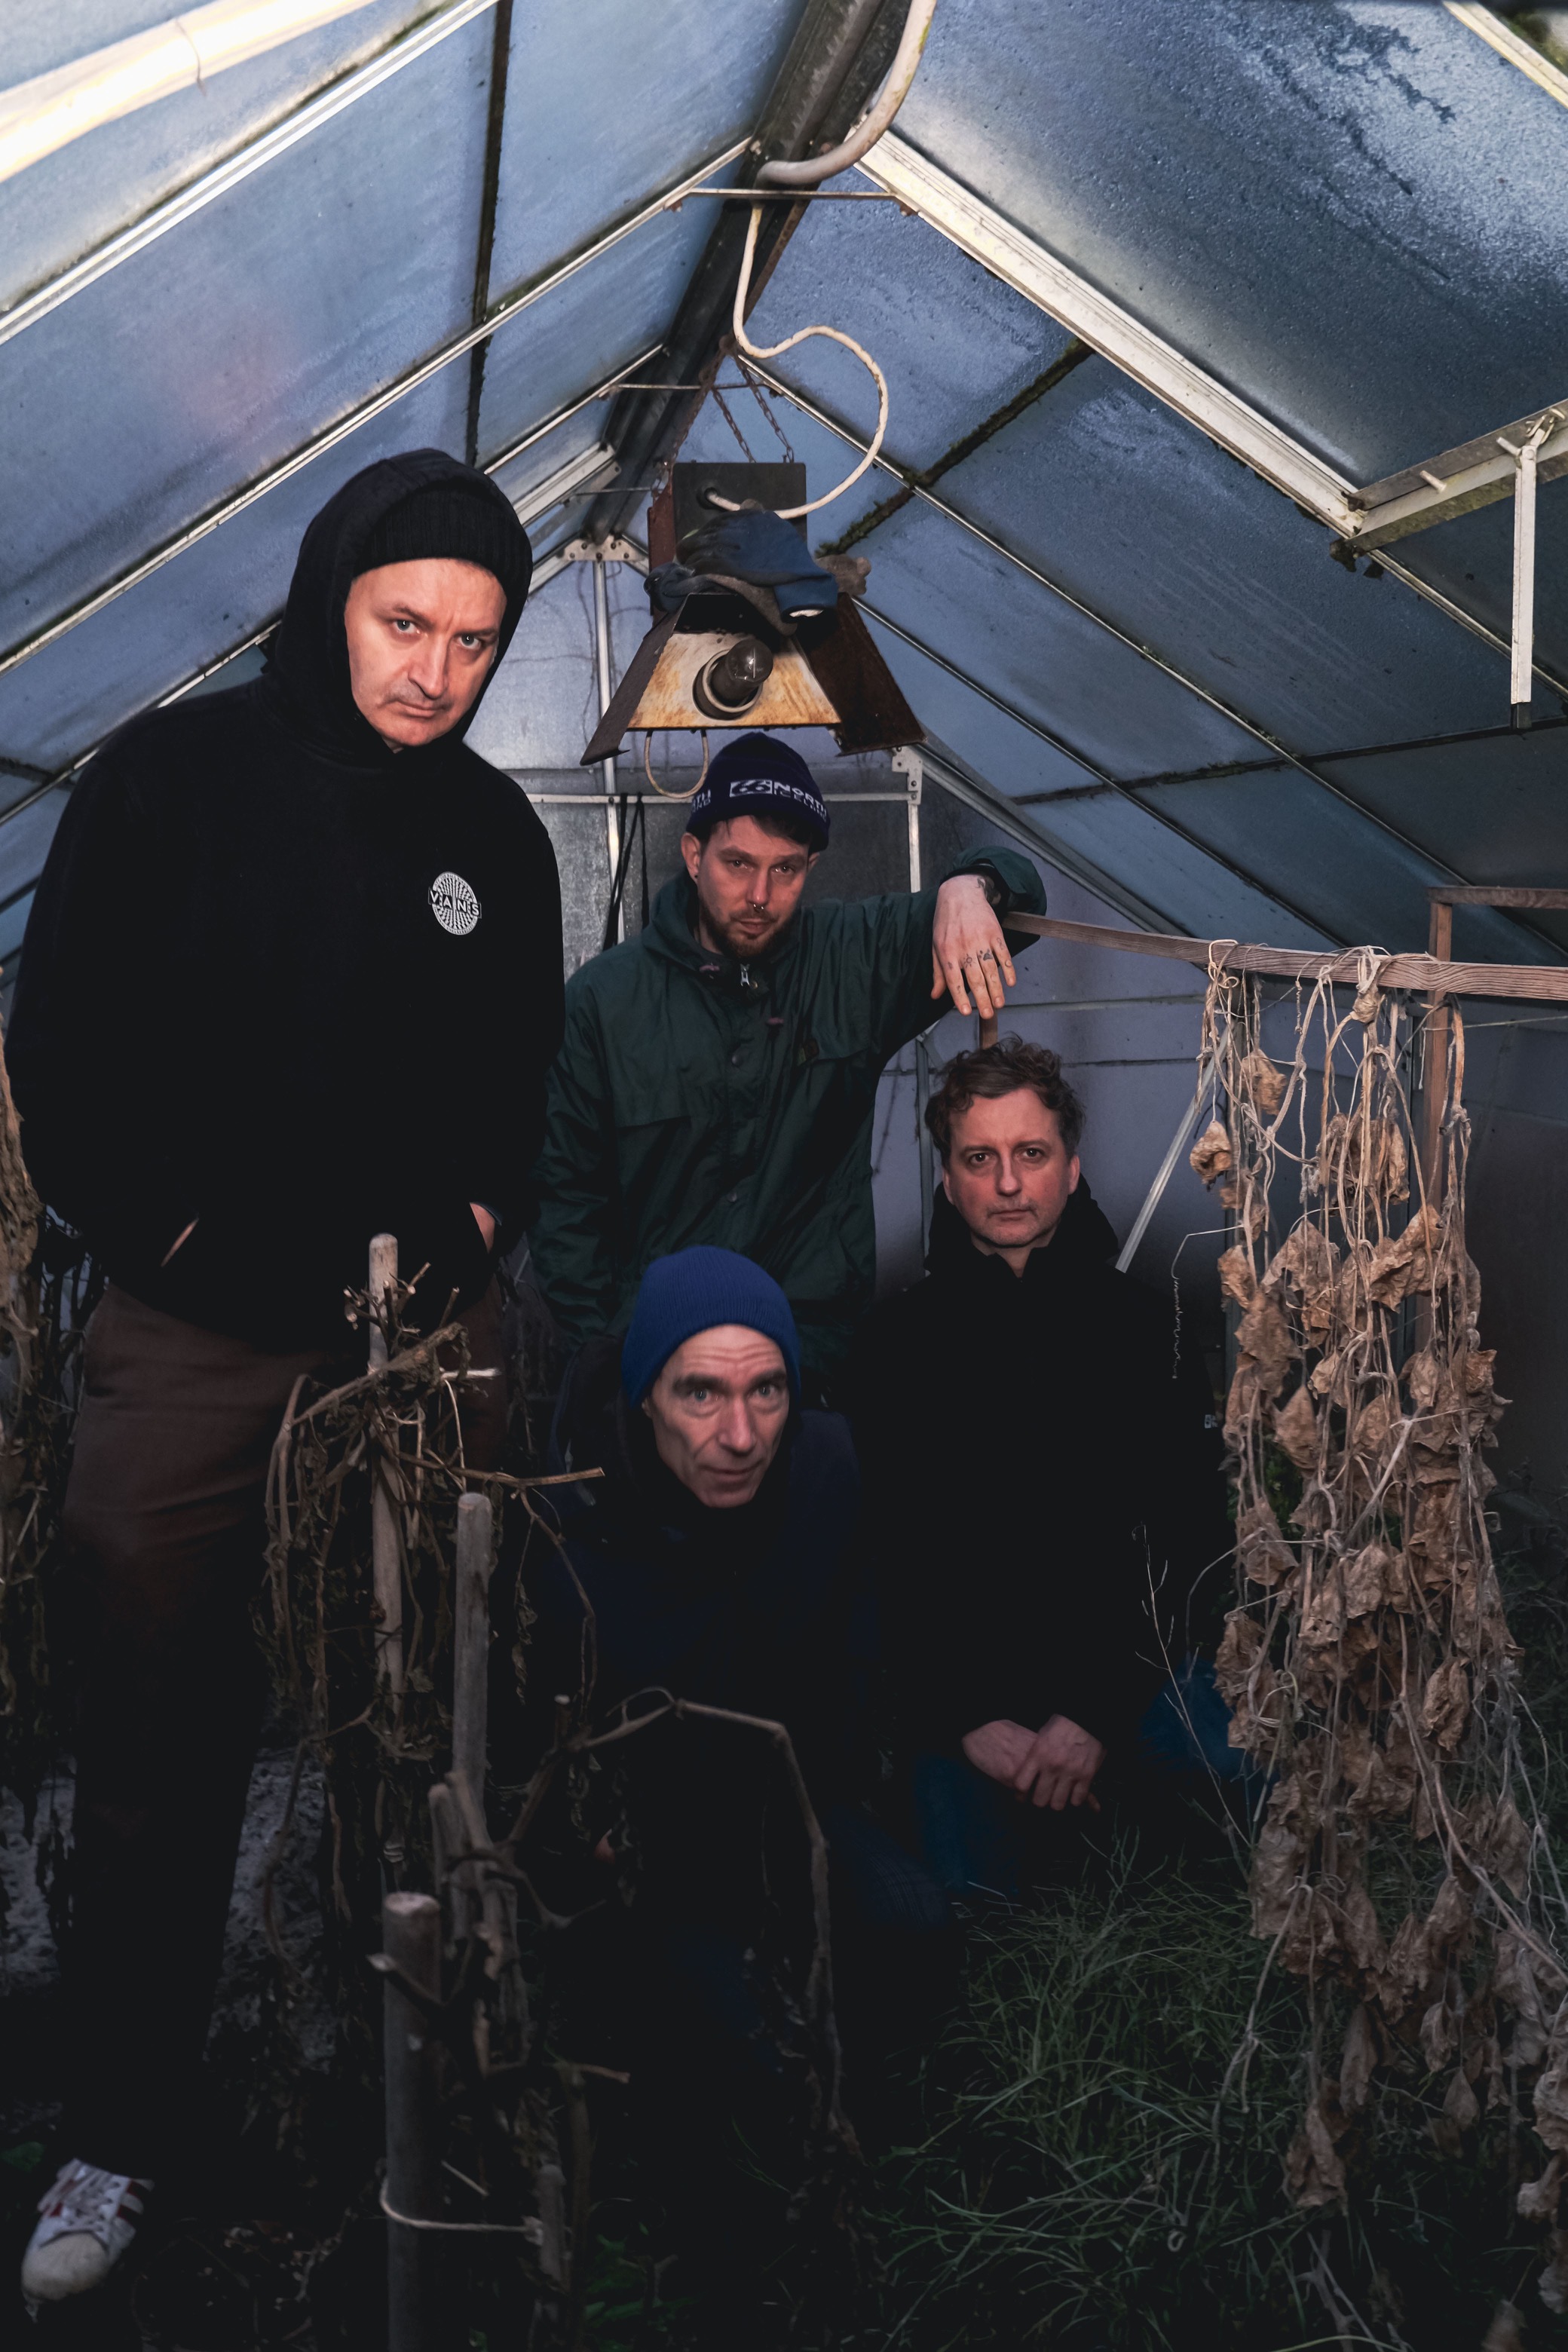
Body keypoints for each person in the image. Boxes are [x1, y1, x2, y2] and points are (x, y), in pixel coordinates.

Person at [8, 449, 563, 2305]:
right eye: (406, 624)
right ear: (333, 599)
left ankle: (415, 2085)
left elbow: (520, 1078)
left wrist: (473, 1225)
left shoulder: (493, 836)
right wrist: (174, 1243)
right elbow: (61, 1047)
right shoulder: (170, 782)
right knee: (153, 1715)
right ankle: (120, 2129)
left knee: (434, 1698)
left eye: (474, 643)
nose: (435, 671)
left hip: (417, 1337)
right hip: (196, 1330)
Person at [520, 1248, 951, 2324]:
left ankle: (889, 2183)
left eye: (767, 1391)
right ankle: (724, 2261)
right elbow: (529, 1748)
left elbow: (864, 1633)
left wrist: (831, 1770)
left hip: (791, 1804)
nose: (742, 1434)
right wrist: (600, 1839)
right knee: (739, 2057)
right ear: (645, 1397)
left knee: (914, 1924)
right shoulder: (574, 1524)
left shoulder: (826, 1466)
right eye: (701, 1394)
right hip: (654, 1855)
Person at [527, 730, 1049, 1386]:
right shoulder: (603, 1003)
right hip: (659, 1356)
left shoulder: (851, 961)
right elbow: (563, 1199)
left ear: (811, 865)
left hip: (812, 1355)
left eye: (786, 870)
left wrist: (971, 888)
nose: (759, 895)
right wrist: (604, 1355)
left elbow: (1024, 892)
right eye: (737, 864)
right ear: (693, 855)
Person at [839, 1039, 1229, 1901]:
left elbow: (1195, 1535)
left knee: (1237, 1800)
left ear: (1071, 1167)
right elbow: (883, 1559)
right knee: (965, 1903)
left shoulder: (1147, 1327)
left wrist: (1094, 1714)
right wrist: (965, 1719)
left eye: (1031, 1153)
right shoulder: (893, 1347)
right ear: (948, 1180)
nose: (1009, 1183)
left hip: (1124, 1678)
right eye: (980, 1159)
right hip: (973, 1705)